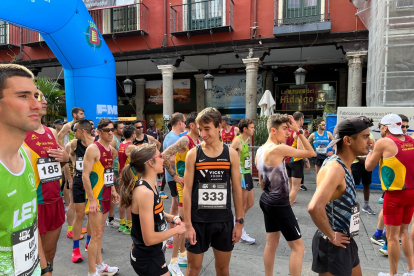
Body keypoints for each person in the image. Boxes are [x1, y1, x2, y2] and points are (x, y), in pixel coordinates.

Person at [0, 64, 51, 276]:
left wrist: (45, 267)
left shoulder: (29, 155)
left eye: (36, 96)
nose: (36, 105)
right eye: (23, 96)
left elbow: (30, 222)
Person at [308, 116, 373, 276]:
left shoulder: (343, 164)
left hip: (345, 240)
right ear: (348, 140)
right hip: (334, 243)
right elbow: (314, 207)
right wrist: (332, 236)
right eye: (365, 137)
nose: (370, 142)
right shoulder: (336, 168)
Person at [183, 107, 244, 276]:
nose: (203, 134)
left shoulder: (231, 154)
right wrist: (188, 225)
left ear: (219, 126)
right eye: (200, 129)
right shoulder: (193, 154)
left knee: (223, 269)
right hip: (198, 221)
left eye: (207, 128)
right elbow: (186, 191)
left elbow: (237, 190)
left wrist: (239, 222)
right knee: (193, 270)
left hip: (223, 221)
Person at [255, 114, 315, 276]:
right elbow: (311, 153)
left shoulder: (260, 150)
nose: (288, 132)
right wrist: (299, 131)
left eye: (289, 129)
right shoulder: (278, 148)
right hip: (279, 203)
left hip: (266, 200)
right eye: (285, 129)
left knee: (271, 244)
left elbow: (261, 181)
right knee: (298, 248)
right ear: (273, 130)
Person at [119, 143, 186, 276]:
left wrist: (172, 217)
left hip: (154, 253)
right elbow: (149, 238)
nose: (163, 159)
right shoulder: (145, 192)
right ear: (150, 163)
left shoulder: (152, 184)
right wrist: (177, 230)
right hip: (148, 257)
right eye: (160, 156)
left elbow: (155, 212)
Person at [24, 89, 70, 267]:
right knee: (33, 257)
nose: (43, 101)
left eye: (42, 97)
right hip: (35, 202)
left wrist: (65, 160)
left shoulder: (50, 131)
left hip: (55, 200)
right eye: (37, 97)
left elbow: (59, 162)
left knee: (49, 254)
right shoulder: (19, 131)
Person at [365, 114, 414, 276]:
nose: (379, 129)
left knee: (392, 237)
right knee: (404, 232)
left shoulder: (383, 142)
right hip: (411, 192)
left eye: (380, 126)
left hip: (395, 195)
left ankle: (392, 274)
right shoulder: (410, 140)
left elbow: (368, 167)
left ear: (385, 127)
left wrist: (371, 150)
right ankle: (411, 270)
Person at [161, 112, 199, 275]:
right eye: (202, 125)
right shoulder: (185, 140)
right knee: (182, 224)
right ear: (192, 125)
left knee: (189, 222)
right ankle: (173, 260)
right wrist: (175, 176)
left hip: (194, 187)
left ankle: (182, 255)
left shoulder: (199, 141)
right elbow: (164, 155)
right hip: (184, 189)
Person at [82, 118, 120, 276]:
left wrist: (113, 190)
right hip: (96, 197)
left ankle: (99, 265)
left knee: (100, 233)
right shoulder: (93, 148)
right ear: (98, 132)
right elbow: (85, 176)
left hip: (105, 195)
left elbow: (108, 173)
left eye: (112, 129)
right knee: (95, 235)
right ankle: (92, 271)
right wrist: (91, 199)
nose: (111, 132)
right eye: (107, 130)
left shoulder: (110, 150)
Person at [69, 119, 96, 263]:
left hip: (93, 181)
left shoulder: (96, 144)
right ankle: (75, 249)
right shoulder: (75, 143)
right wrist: (75, 166)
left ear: (82, 131)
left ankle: (89, 242)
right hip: (80, 180)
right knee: (79, 214)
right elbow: (72, 154)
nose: (74, 133)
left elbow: (113, 153)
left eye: (75, 130)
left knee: (92, 214)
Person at [230, 118, 256, 244]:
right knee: (242, 205)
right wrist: (231, 176)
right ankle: (241, 229)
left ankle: (236, 220)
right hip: (241, 176)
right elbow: (228, 158)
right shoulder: (237, 141)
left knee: (250, 203)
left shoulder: (246, 141)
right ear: (245, 129)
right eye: (252, 127)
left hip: (247, 174)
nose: (254, 129)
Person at [163, 113, 187, 230]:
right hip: (175, 176)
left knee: (175, 203)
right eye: (185, 122)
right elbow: (169, 158)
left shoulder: (172, 136)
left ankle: (172, 230)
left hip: (173, 176)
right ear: (180, 123)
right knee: (177, 204)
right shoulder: (173, 138)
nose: (185, 125)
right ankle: (173, 232)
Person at [350, 118, 376, 216]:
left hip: (367, 162)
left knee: (367, 184)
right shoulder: (354, 135)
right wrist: (359, 158)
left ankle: (366, 205)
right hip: (356, 162)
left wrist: (368, 158)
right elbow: (350, 148)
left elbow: (373, 149)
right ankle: (351, 204)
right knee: (353, 185)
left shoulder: (371, 135)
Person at [285, 112, 310, 204]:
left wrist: (304, 137)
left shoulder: (287, 129)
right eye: (303, 119)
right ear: (301, 119)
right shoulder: (299, 130)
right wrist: (307, 160)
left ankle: (287, 207)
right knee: (295, 188)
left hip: (286, 160)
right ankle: (287, 210)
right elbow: (299, 149)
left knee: (290, 186)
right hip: (296, 161)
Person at [117, 125, 137, 235]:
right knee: (129, 201)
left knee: (123, 199)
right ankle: (129, 225)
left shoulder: (121, 144)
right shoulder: (131, 146)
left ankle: (122, 223)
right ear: (133, 134)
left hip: (122, 174)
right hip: (129, 176)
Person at [107, 121, 124, 228]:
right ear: (116, 130)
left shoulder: (119, 140)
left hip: (118, 170)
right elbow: (108, 156)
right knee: (114, 194)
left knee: (116, 193)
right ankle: (110, 218)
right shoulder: (113, 141)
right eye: (121, 128)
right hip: (115, 171)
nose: (123, 130)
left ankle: (111, 217)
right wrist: (111, 171)